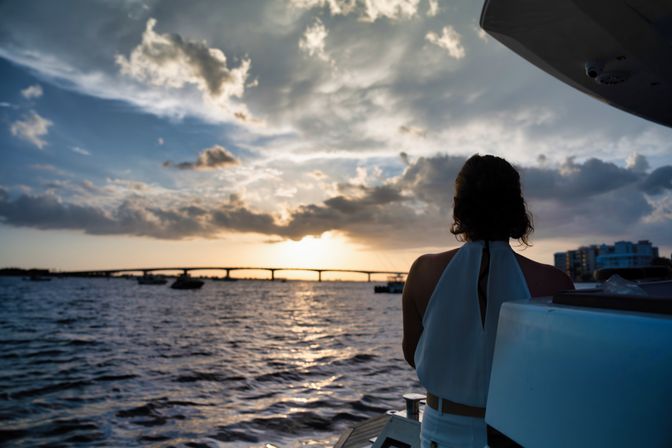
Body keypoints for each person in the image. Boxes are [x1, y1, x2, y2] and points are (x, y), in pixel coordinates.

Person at [402, 154, 574, 448]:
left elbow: (412, 353)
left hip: (440, 432)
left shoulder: (423, 271)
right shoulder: (554, 283)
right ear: (516, 209)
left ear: (460, 207)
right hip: (518, 431)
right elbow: (561, 372)